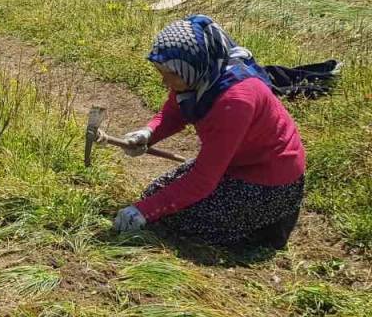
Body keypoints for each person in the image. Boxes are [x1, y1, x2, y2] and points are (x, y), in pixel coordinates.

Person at [113, 16, 305, 250]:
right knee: (154, 194)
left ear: (192, 65)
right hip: (236, 163)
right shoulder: (201, 76)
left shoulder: (235, 101)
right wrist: (148, 133)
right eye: (161, 72)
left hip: (269, 181)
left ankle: (265, 227)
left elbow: (203, 179)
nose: (165, 81)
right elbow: (174, 113)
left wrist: (145, 211)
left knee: (175, 219)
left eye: (171, 74)